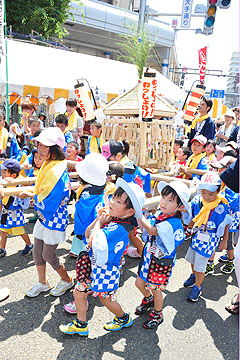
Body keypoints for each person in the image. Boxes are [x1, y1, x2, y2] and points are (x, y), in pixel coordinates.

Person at [59, 178, 145, 336]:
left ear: (129, 212)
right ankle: (81, 324)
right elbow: (87, 233)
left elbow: (91, 241)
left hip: (106, 271)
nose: (112, 202)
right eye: (113, 198)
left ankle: (123, 318)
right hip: (94, 267)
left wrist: (100, 223)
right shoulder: (113, 220)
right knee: (78, 292)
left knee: (106, 300)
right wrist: (98, 219)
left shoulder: (119, 228)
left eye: (118, 201)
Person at [20, 127, 74, 298]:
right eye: (39, 145)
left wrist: (32, 197)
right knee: (37, 251)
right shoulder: (51, 165)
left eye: (45, 146)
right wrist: (34, 196)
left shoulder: (57, 171)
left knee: (48, 254)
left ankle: (66, 280)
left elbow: (51, 202)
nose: (40, 149)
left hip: (54, 217)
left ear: (55, 149)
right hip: (45, 216)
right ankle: (43, 283)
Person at [135, 181, 190, 328]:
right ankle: (148, 299)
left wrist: (139, 214)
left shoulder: (175, 223)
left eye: (170, 200)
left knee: (156, 288)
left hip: (161, 263)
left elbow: (153, 231)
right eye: (163, 197)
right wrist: (140, 218)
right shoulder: (160, 214)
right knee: (139, 282)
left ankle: (158, 313)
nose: (164, 202)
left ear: (181, 206)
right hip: (148, 257)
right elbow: (146, 229)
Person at [183, 172, 232, 302]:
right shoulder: (198, 200)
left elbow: (226, 223)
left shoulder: (222, 205)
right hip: (196, 236)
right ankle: (194, 276)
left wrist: (225, 240)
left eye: (211, 194)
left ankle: (197, 287)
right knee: (192, 260)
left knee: (201, 265)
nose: (207, 196)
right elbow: (191, 216)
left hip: (209, 239)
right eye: (204, 192)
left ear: (218, 190)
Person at [69, 153, 108, 258]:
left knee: (84, 232)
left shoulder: (88, 191)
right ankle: (80, 250)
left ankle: (81, 252)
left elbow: (82, 208)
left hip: (87, 216)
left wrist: (77, 203)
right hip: (96, 213)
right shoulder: (99, 186)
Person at [205, 157, 239, 276]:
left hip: (229, 220)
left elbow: (233, 202)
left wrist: (220, 197)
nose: (219, 172)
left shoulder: (233, 185)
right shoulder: (221, 184)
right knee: (212, 240)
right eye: (218, 169)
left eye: (222, 169)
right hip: (217, 218)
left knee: (228, 242)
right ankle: (210, 264)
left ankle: (231, 261)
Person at [0, 159, 33, 257]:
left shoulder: (18, 181)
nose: (2, 173)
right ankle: (2, 249)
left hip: (15, 213)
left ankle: (30, 245)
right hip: (6, 211)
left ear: (13, 175)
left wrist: (13, 180)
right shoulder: (4, 181)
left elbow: (26, 182)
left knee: (20, 231)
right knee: (3, 231)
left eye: (4, 172)